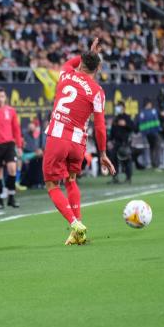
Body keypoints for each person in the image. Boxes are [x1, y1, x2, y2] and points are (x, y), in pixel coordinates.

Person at [42, 38, 115, 246]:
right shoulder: (98, 91)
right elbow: (100, 126)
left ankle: (75, 223)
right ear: (99, 68)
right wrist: (102, 154)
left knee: (51, 184)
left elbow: (70, 63)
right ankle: (77, 232)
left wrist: (88, 53)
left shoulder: (66, 74)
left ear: (81, 62)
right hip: (78, 143)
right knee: (71, 180)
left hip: (57, 137)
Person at [0, 87, 23, 209]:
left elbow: (16, 129)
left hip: (9, 144)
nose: (0, 99)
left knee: (12, 168)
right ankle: (0, 199)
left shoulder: (11, 111)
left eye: (2, 96)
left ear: (5, 97)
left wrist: (19, 145)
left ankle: (11, 197)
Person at [109, 101, 135, 184]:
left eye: (119, 107)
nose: (118, 109)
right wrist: (109, 141)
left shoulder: (127, 117)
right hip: (116, 143)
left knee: (126, 161)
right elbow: (112, 132)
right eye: (117, 107)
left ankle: (128, 177)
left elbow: (134, 128)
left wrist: (126, 124)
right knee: (113, 160)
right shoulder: (115, 119)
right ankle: (115, 177)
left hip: (125, 143)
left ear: (123, 108)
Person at [137, 99, 161, 168]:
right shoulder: (147, 112)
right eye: (149, 103)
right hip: (149, 133)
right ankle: (151, 163)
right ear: (147, 104)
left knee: (153, 148)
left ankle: (154, 163)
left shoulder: (146, 112)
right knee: (150, 148)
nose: (150, 105)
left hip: (150, 133)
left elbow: (156, 122)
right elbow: (141, 124)